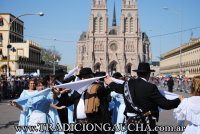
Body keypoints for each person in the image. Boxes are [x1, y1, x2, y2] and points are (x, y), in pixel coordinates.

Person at [104, 62, 183, 134]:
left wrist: (109, 82)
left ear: (137, 73)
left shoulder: (127, 84)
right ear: (148, 74)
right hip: (146, 123)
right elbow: (166, 104)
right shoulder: (150, 87)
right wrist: (179, 100)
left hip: (131, 122)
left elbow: (116, 87)